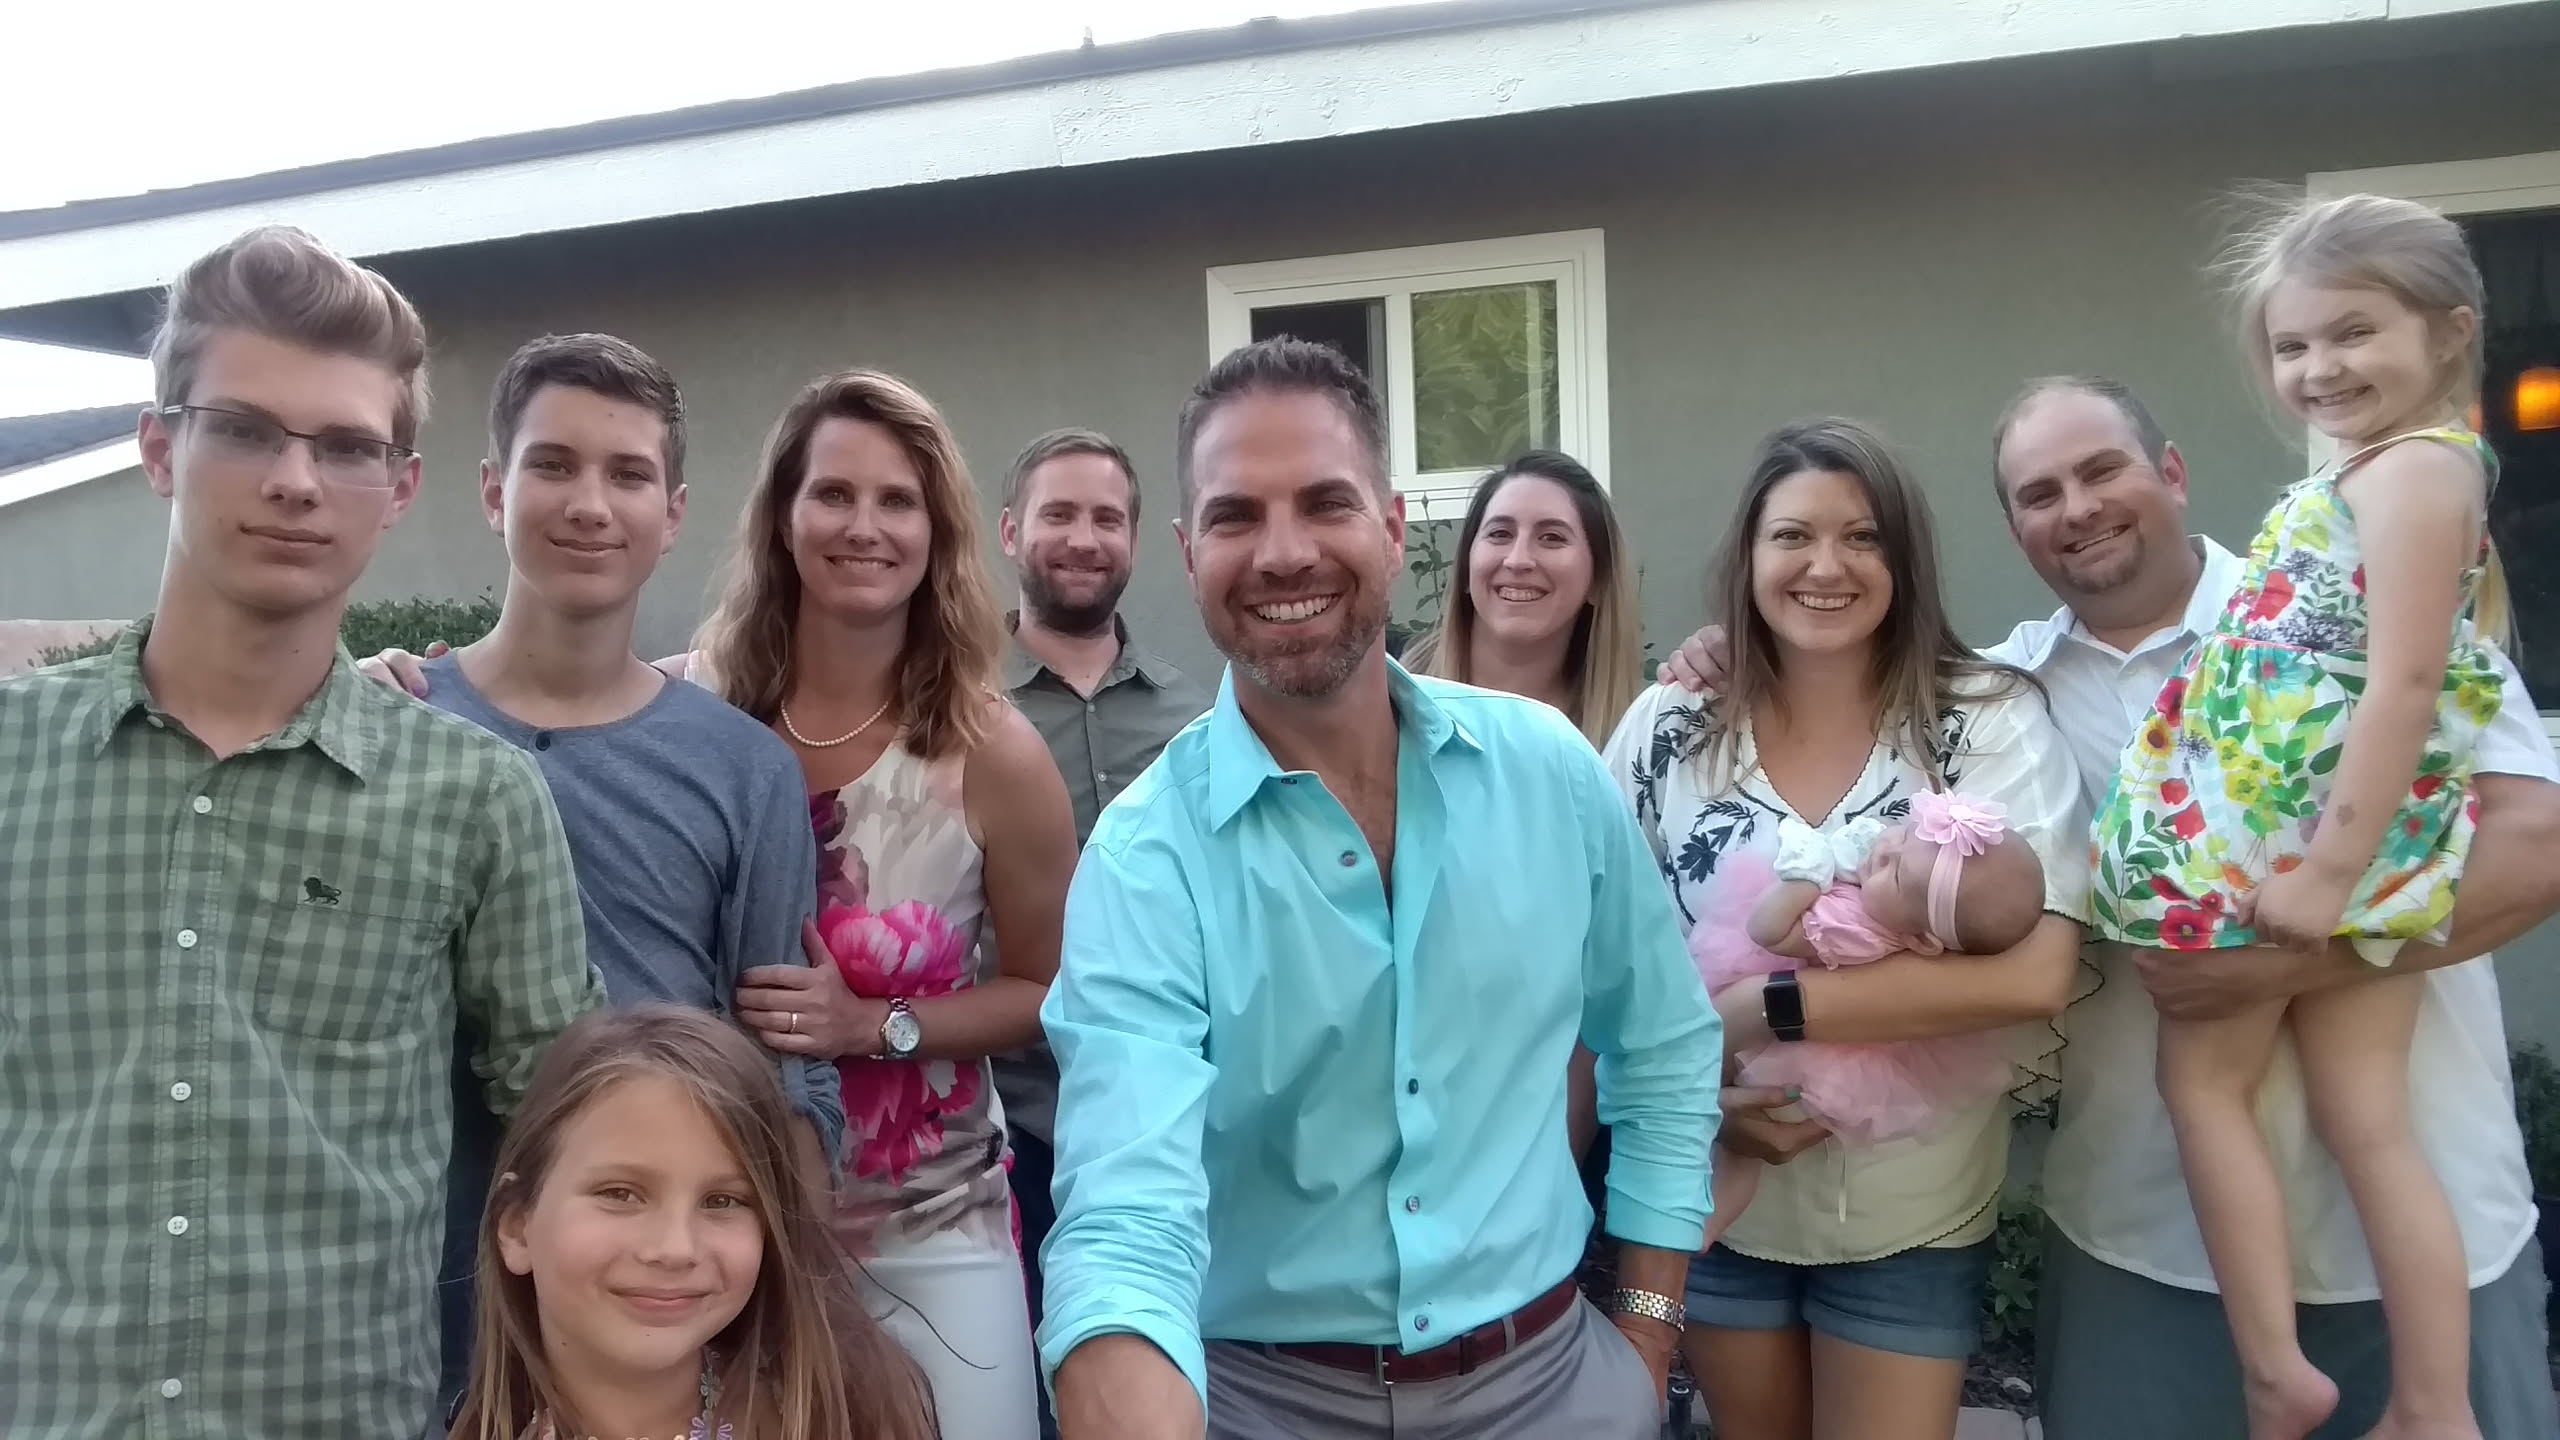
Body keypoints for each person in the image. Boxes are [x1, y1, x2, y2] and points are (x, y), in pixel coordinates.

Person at [1660, 374, 2560, 1439]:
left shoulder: (2344, 603)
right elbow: (1853, 683)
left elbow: (2536, 850)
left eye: (2102, 471)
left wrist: (2281, 964)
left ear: (2171, 473)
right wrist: (1733, 648)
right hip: (2137, 1242)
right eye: (2039, 494)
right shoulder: (2006, 699)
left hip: (2414, 1242)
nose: (2077, 508)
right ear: (2015, 529)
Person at [1037, 336, 1722, 1440]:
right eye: (1235, 517)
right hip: (1260, 1403)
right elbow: (1124, 1205)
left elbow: (1664, 1049)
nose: (1283, 553)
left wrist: (1644, 1340)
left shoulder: (1549, 773)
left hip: (1556, 1384)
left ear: (1394, 529)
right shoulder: (1143, 858)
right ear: (1188, 552)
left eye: (1326, 503)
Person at [0, 225, 603, 1439]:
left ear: (400, 488)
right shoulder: (12, 763)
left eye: (344, 446)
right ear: (160, 449)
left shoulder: (475, 801)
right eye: (244, 430)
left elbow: (572, 1136)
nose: (295, 479)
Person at [354, 333, 848, 1410]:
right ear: (494, 489)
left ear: (673, 515)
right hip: (417, 1312)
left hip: (652, 1314)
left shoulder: (743, 770)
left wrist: (781, 1332)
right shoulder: (387, 730)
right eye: (554, 466)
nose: (590, 505)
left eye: (627, 474)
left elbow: (784, 1071)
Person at [2088, 194, 2512, 1440]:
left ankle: (2279, 1373)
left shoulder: (2418, 470)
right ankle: (2428, 1406)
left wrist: (2327, 872)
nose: (2320, 367)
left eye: (2353, 332)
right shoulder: (2366, 474)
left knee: (2203, 1085)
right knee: (2365, 1122)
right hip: (2323, 839)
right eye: (2292, 345)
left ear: (2449, 331)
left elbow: (2407, 683)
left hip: (2305, 844)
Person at [1601, 417, 2089, 1440]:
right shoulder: (1668, 729)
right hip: (1716, 1194)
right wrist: (1696, 1099)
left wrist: (1757, 1007)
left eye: (1862, 537)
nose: (1826, 566)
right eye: (1792, 536)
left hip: (1913, 1214)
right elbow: (1594, 958)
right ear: (1747, 556)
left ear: (1904, 560)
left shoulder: (1983, 720)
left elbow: (2031, 976)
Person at [685, 369, 1080, 1440]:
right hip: (718, 1232)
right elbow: (543, 703)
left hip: (931, 1230)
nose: (864, 526)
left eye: (897, 500)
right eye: (834, 494)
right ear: (783, 515)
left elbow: (1049, 991)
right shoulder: (688, 713)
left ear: (936, 532)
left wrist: (873, 1025)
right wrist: (417, 680)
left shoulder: (992, 753)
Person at [989, 426, 1209, 1437]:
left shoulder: (1197, 718)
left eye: (1107, 518)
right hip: (1010, 1123)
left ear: (1136, 541)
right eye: (1060, 515)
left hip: (1168, 1131)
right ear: (1010, 533)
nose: (1084, 539)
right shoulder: (956, 707)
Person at [448, 1004, 938, 1440]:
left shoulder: (845, 1419)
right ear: (517, 1227)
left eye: (722, 1201)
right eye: (619, 1194)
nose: (675, 1248)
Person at [1405, 448, 1649, 1178]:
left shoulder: (1634, 740)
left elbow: (1620, 981)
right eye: (1499, 533)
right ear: (1466, 565)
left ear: (1597, 576)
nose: (1519, 559)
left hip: (1561, 1137)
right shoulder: (1384, 706)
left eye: (1552, 537)